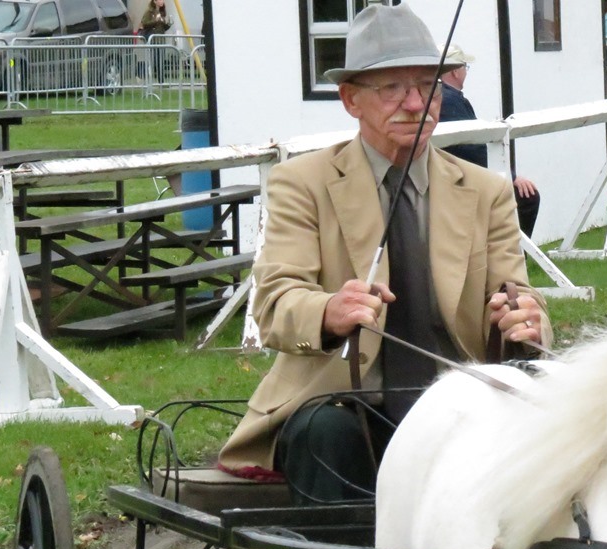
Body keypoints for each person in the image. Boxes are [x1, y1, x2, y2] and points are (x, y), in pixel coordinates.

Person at [217, 5, 552, 502]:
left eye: (429, 86)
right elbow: (274, 306)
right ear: (350, 99)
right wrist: (329, 311)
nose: (416, 103)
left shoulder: (486, 193)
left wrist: (527, 322)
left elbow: (518, 298)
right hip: (342, 404)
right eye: (393, 87)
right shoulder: (302, 183)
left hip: (459, 405)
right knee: (326, 437)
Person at [437, 44, 542, 239]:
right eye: (464, 67)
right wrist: (509, 177)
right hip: (461, 180)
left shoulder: (441, 97)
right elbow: (472, 150)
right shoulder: (450, 101)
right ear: (455, 71)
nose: (465, 72)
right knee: (527, 197)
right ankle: (515, 256)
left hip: (455, 175)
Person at [138, 0, 171, 82]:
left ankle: (161, 81)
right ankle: (140, 74)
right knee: (155, 60)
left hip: (161, 39)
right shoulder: (149, 12)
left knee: (161, 60)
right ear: (155, 1)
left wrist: (168, 24)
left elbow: (163, 27)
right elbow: (144, 23)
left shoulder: (162, 12)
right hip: (153, 39)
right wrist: (155, 20)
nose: (162, 1)